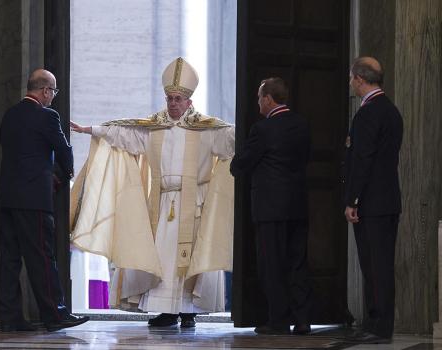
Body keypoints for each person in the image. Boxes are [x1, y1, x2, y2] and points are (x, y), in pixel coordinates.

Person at [70, 57, 235, 328]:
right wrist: (91, 130)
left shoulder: (207, 130)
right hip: (162, 203)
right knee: (162, 258)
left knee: (188, 258)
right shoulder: (153, 128)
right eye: (169, 98)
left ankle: (188, 311)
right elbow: (123, 135)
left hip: (194, 204)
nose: (172, 103)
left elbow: (232, 140)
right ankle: (167, 311)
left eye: (178, 98)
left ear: (189, 102)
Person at [0, 69, 89, 332]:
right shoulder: (47, 116)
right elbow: (63, 150)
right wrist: (64, 173)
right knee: (42, 257)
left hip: (7, 197)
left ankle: (10, 318)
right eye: (53, 91)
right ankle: (55, 314)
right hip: (34, 199)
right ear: (45, 91)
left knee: (10, 259)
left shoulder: (9, 115)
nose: (53, 97)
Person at [230, 77, 312, 335]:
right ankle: (303, 320)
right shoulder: (302, 125)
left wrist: (236, 164)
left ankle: (278, 320)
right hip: (297, 205)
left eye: (258, 98)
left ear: (268, 99)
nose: (257, 104)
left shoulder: (263, 129)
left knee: (271, 264)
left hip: (270, 209)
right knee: (297, 263)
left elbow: (241, 164)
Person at [344, 57, 403, 344]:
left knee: (374, 265)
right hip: (388, 199)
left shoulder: (368, 113)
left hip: (371, 202)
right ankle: (376, 322)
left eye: (351, 78)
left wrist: (353, 199)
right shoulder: (391, 110)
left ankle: (378, 325)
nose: (351, 84)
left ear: (359, 78)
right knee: (380, 264)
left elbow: (362, 160)